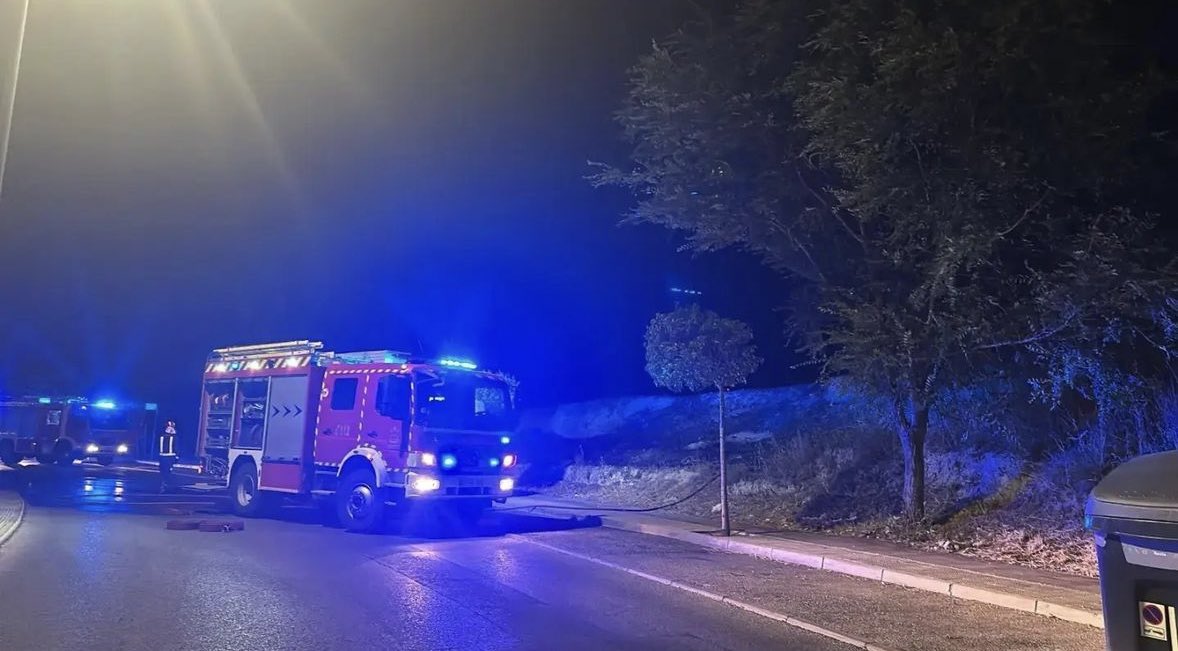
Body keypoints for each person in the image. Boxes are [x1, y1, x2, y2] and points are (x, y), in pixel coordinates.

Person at [158, 420, 177, 492]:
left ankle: (164, 483)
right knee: (167, 471)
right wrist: (176, 456)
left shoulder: (161, 436)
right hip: (169, 457)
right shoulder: (174, 437)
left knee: (163, 471)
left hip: (163, 456)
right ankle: (165, 483)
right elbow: (176, 447)